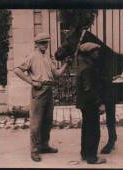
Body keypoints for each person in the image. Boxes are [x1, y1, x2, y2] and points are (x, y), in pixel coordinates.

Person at [14, 32, 71, 162]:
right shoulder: (32, 57)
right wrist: (31, 82)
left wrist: (66, 64)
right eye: (42, 43)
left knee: (47, 120)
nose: (45, 45)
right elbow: (17, 70)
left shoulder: (47, 58)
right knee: (36, 122)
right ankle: (34, 150)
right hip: (38, 90)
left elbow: (56, 74)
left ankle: (44, 146)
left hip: (49, 89)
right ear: (37, 44)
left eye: (46, 43)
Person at [76, 42, 107, 164]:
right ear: (89, 53)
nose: (97, 53)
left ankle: (85, 154)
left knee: (86, 129)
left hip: (85, 103)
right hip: (90, 103)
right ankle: (92, 158)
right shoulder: (88, 68)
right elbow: (89, 89)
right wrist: (100, 103)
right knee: (94, 130)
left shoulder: (84, 64)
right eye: (95, 52)